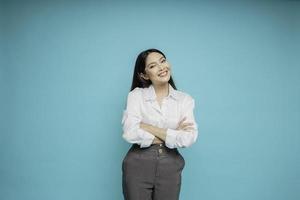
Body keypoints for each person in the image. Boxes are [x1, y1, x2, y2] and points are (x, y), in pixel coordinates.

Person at [121, 48, 198, 200]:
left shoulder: (185, 100)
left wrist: (147, 127)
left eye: (162, 61)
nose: (162, 67)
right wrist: (173, 134)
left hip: (171, 165)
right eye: (152, 65)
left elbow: (189, 137)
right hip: (137, 164)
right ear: (144, 75)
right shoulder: (136, 96)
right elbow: (130, 133)